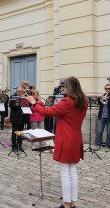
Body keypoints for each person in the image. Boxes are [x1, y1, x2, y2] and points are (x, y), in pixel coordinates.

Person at [28, 76, 88, 208]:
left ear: (69, 88)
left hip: (66, 140)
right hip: (76, 138)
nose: (64, 89)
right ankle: (72, 203)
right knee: (72, 171)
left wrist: (33, 103)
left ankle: (66, 205)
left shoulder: (67, 102)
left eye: (65, 87)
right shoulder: (84, 101)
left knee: (65, 173)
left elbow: (46, 112)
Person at [93, 84, 110, 152]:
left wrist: (109, 98)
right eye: (106, 89)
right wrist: (98, 98)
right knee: (99, 131)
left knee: (109, 132)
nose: (107, 90)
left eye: (109, 89)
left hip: (109, 117)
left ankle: (107, 146)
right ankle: (98, 145)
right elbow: (99, 104)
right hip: (102, 116)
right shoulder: (103, 95)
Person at [9, 86, 25, 152]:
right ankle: (14, 146)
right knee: (14, 133)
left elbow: (27, 105)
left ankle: (19, 145)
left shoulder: (24, 97)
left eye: (21, 91)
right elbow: (10, 105)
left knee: (20, 133)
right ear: (16, 91)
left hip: (22, 117)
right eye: (19, 91)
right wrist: (17, 102)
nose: (20, 93)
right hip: (15, 117)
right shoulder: (12, 97)